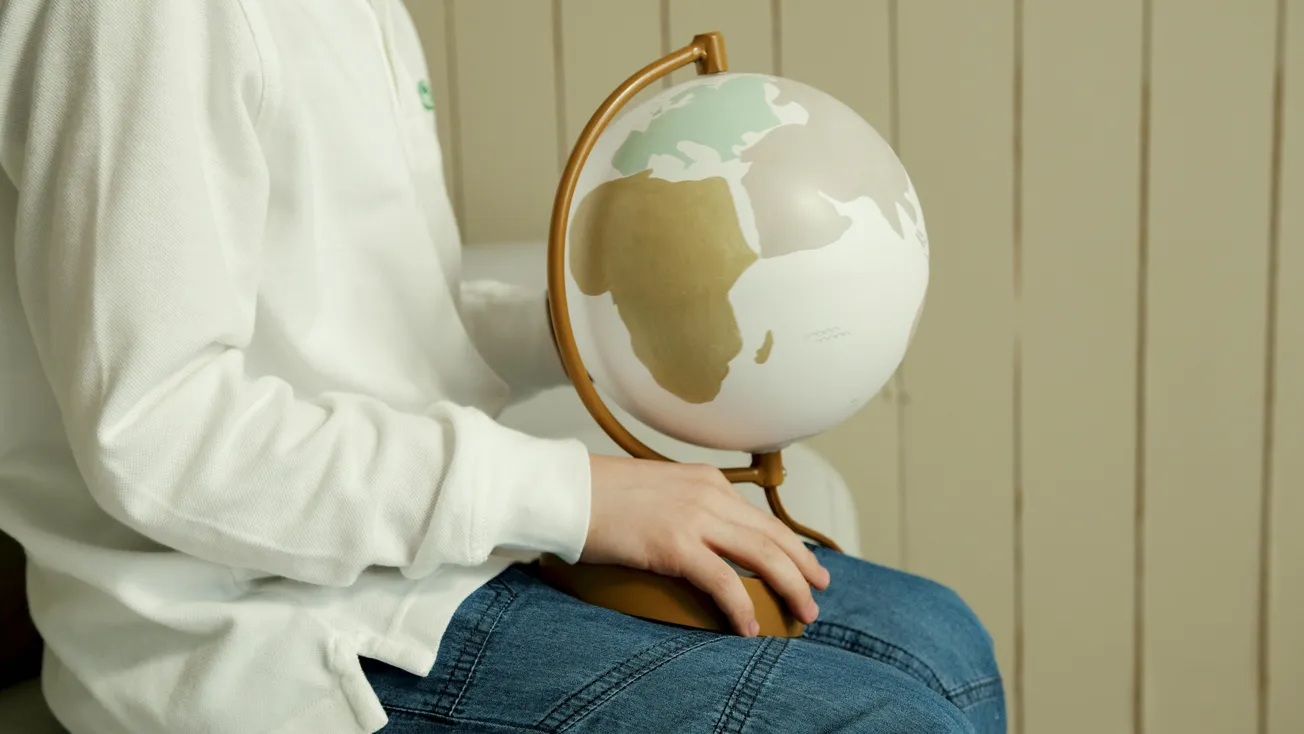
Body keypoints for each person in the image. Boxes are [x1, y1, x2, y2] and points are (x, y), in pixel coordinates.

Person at [0, 1, 1005, 732]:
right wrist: (573, 493)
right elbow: (158, 431)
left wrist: (628, 323)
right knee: (879, 717)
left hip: (409, 561)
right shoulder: (143, 18)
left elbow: (378, 333)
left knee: (941, 643)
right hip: (245, 631)